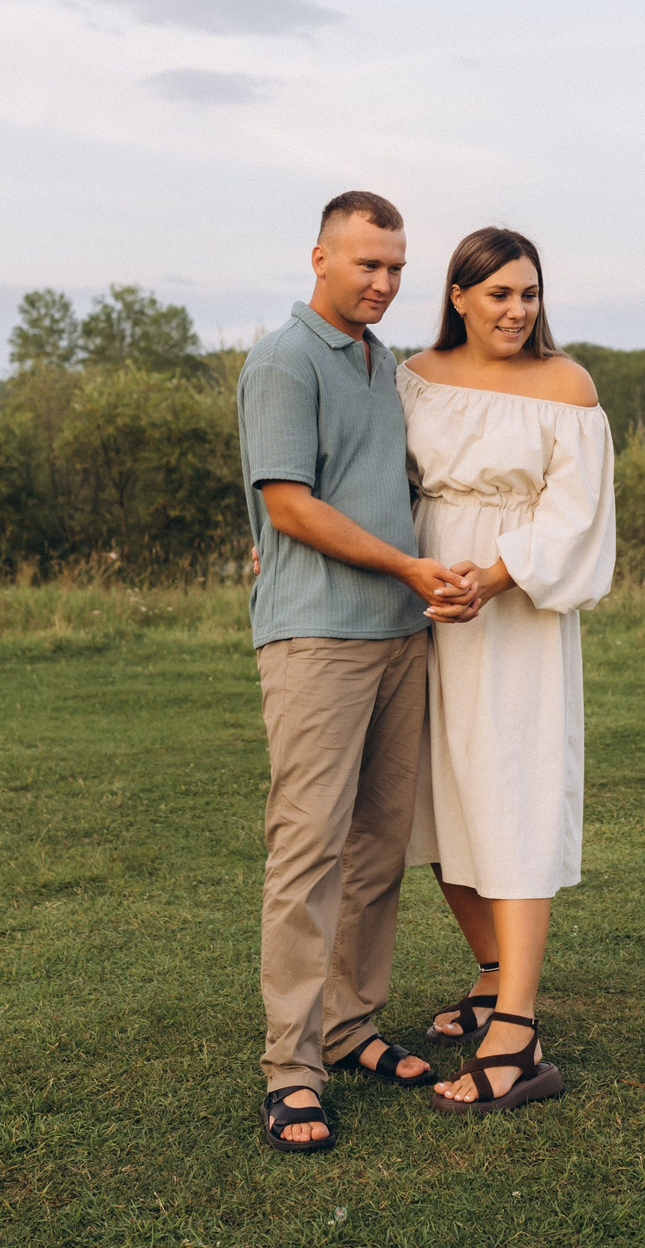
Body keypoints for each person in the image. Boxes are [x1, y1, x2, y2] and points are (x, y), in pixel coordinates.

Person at [239, 191, 480, 1153]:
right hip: (318, 639)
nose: (382, 283)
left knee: (380, 847)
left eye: (395, 268)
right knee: (308, 852)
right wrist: (407, 564)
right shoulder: (283, 359)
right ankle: (290, 1071)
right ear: (319, 259)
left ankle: (349, 1028)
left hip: (398, 636)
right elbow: (290, 505)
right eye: (365, 264)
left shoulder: (384, 366)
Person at [399, 226, 617, 1114]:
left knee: (512, 794)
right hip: (421, 594)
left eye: (528, 293)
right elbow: (379, 481)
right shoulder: (413, 376)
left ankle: (517, 1032)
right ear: (458, 295)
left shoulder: (567, 388)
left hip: (516, 608)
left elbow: (576, 516)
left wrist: (491, 575)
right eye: (498, 295)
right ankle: (492, 973)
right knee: (437, 796)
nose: (517, 310)